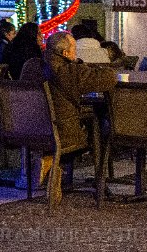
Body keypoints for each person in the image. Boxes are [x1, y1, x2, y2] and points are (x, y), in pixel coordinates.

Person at [42, 31, 117, 203]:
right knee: (100, 128)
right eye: (74, 49)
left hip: (32, 131)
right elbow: (108, 78)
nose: (76, 53)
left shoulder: (31, 66)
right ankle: (99, 184)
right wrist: (81, 64)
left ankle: (48, 163)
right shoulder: (68, 71)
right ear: (65, 53)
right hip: (61, 134)